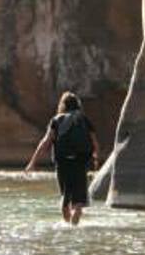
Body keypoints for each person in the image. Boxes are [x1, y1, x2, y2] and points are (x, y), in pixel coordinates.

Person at [24, 92, 100, 226]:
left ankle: (67, 228)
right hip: (80, 162)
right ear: (78, 105)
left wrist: (32, 162)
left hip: (62, 162)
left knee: (66, 197)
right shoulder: (83, 119)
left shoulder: (56, 120)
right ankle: (75, 225)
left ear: (63, 105)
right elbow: (94, 142)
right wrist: (95, 158)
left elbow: (45, 142)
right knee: (78, 202)